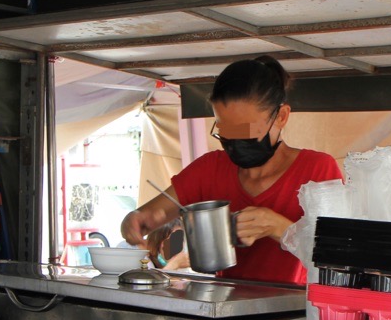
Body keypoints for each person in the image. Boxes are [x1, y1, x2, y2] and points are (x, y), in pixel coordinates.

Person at [121, 55, 343, 284]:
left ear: (282, 117)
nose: (235, 140)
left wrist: (279, 227)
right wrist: (134, 221)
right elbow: (148, 216)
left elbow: (338, 255)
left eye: (246, 130)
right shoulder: (209, 168)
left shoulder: (317, 170)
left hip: (295, 312)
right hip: (226, 306)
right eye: (226, 130)